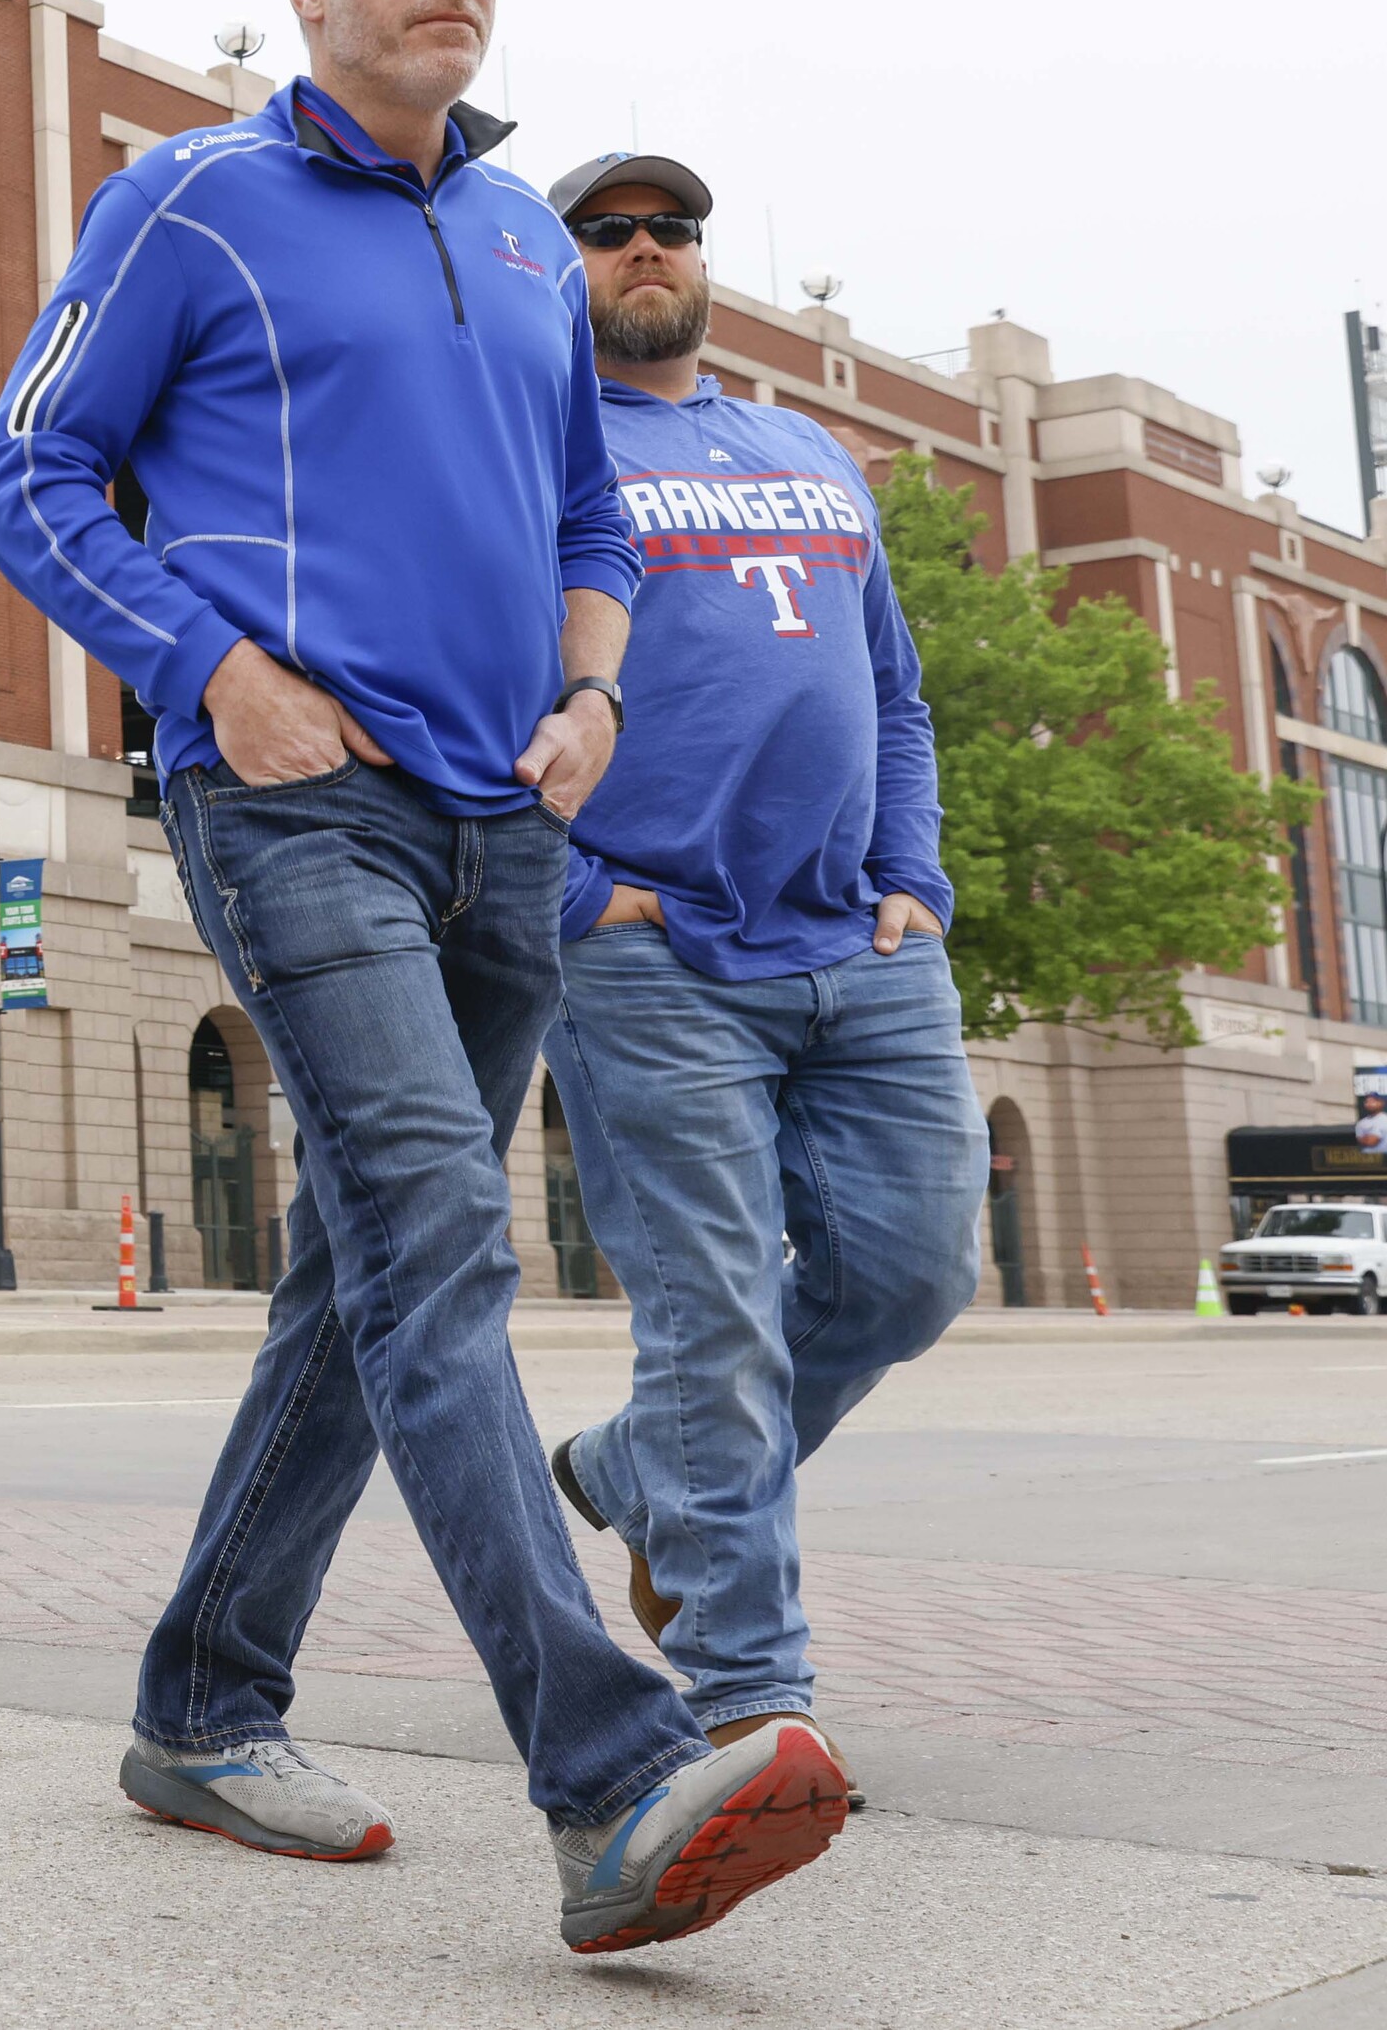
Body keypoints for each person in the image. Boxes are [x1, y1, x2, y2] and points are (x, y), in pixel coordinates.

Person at [0, 0, 847, 1954]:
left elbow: (587, 520)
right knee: (439, 1234)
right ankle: (610, 1771)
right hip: (295, 799)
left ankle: (198, 1701)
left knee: (352, 1286)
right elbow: (21, 468)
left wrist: (591, 704)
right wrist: (209, 669)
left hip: (503, 823)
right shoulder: (193, 198)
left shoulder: (531, 250)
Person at [535, 148, 981, 1764]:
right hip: (654, 953)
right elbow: (467, 684)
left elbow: (900, 694)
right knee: (712, 1315)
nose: (647, 248)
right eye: (608, 230)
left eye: (672, 227)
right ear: (561, 261)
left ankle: (645, 1472)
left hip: (861, 945)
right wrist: (576, 893)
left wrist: (912, 880)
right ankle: (751, 1693)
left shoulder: (811, 450)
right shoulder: (542, 447)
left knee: (917, 1268)